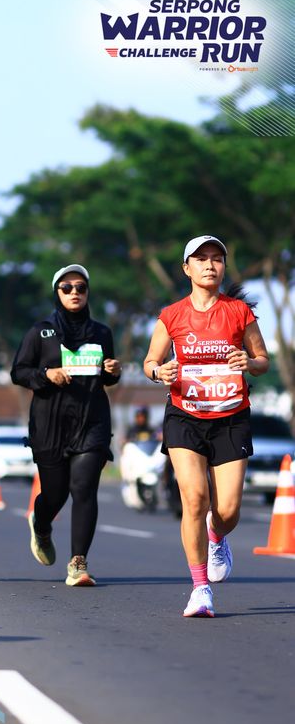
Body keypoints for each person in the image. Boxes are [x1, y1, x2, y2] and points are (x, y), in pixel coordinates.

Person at [143, 235, 269, 617]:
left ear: (224, 267)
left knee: (227, 510)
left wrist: (248, 362)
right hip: (185, 414)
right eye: (201, 259)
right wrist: (159, 372)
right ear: (187, 268)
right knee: (195, 498)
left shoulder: (239, 312)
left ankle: (217, 535)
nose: (210, 265)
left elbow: (262, 360)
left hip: (230, 415)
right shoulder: (172, 315)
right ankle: (200, 589)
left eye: (216, 258)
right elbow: (149, 362)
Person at [11, 264, 121, 586]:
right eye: (67, 288)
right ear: (57, 293)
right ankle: (41, 523)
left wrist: (113, 371)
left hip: (91, 420)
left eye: (81, 288)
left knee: (84, 487)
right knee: (55, 493)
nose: (75, 293)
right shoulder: (40, 332)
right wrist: (46, 374)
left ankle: (78, 563)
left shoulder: (101, 333)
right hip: (50, 424)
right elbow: (19, 372)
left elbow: (106, 376)